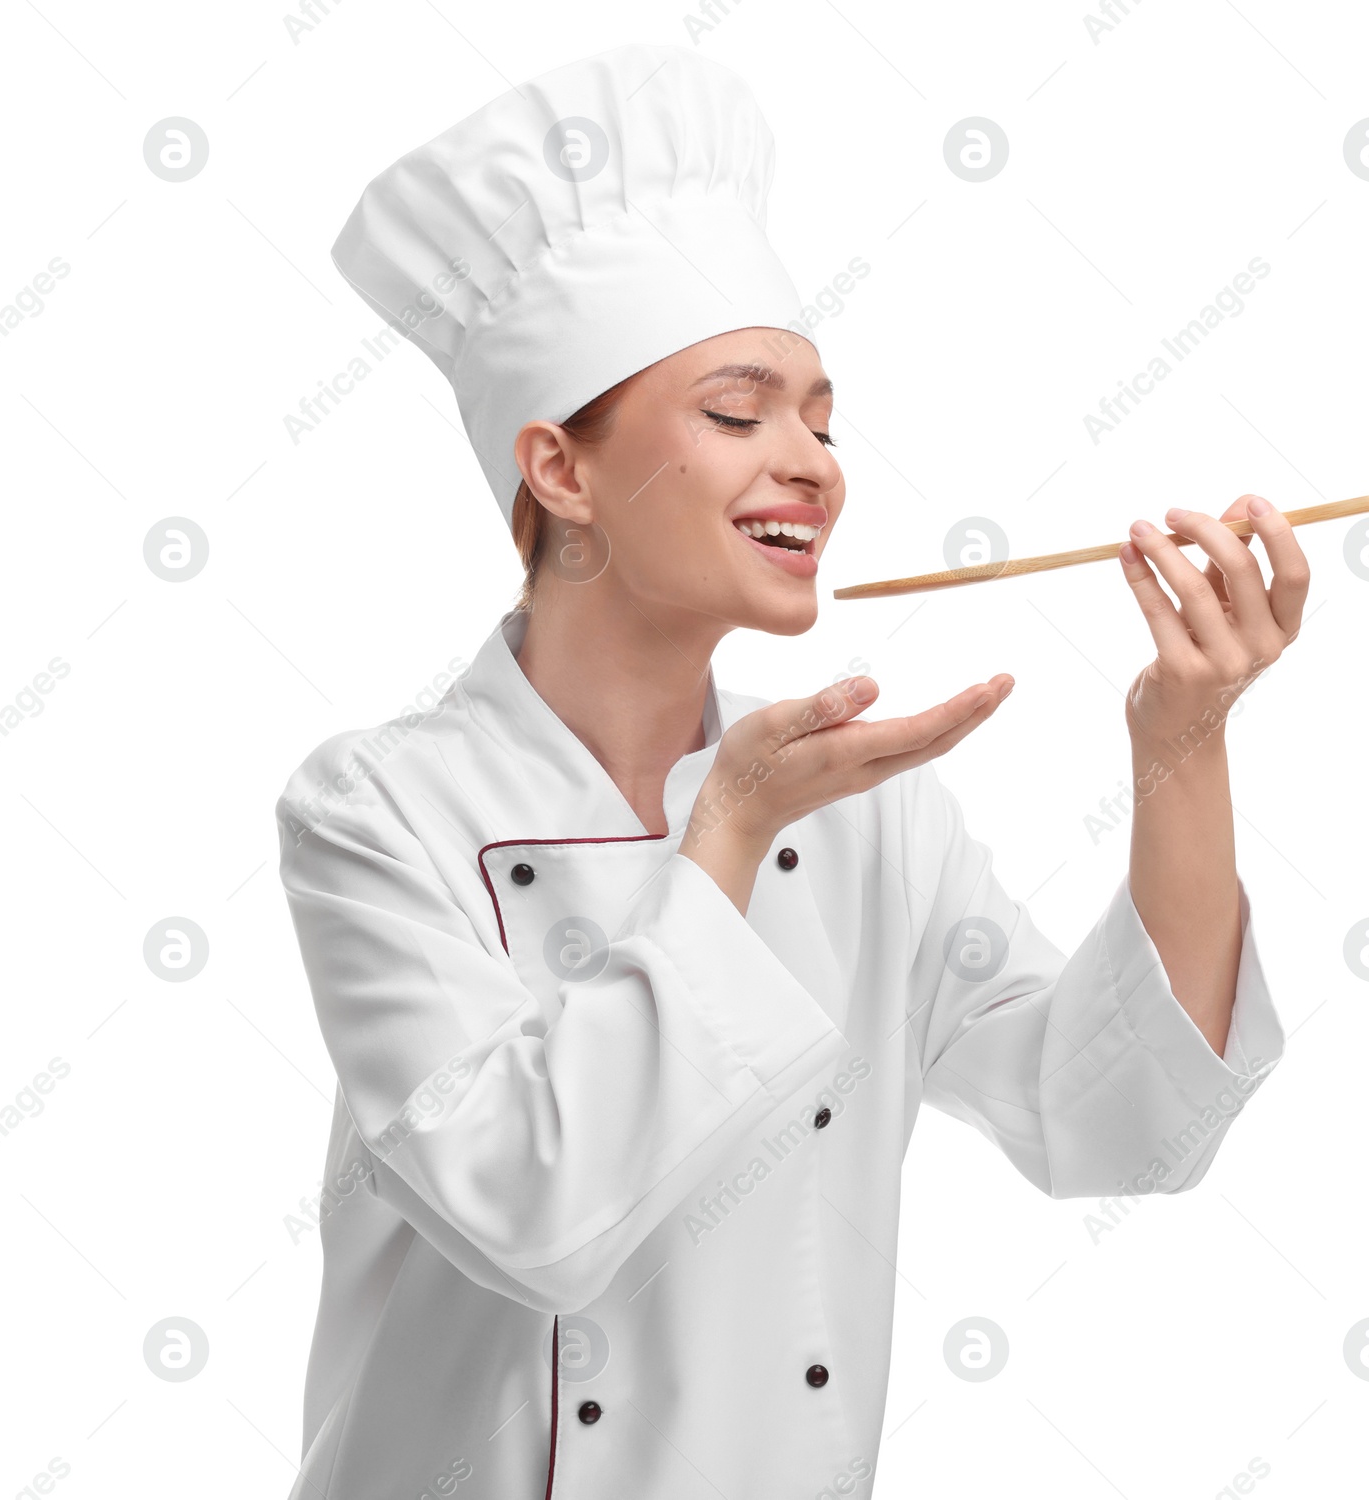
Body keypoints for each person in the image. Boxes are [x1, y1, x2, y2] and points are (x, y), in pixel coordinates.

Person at [275, 41, 1299, 1500]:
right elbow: (536, 1209)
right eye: (740, 411)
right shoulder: (377, 812)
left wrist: (1182, 747)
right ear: (560, 470)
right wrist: (733, 824)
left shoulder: (868, 804)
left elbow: (1120, 1121)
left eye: (821, 416)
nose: (814, 463)